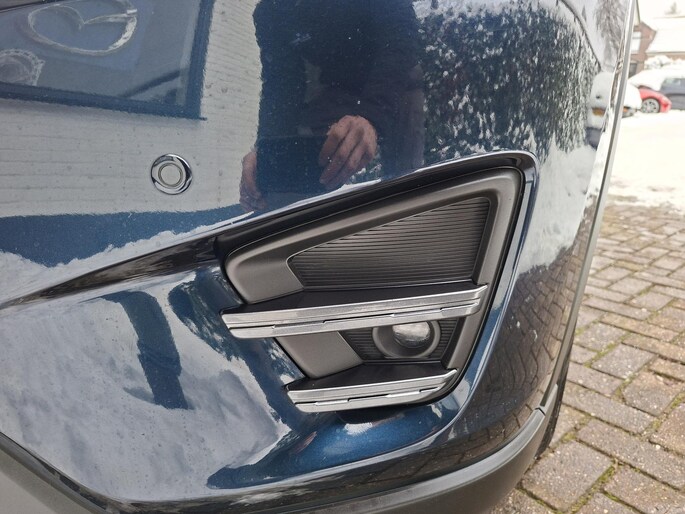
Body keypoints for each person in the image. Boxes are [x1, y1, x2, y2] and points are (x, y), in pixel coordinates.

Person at [240, 0, 424, 211]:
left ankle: (410, 207)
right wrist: (267, 151)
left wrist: (372, 118)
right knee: (297, 173)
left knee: (406, 182)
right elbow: (282, 85)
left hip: (397, 82)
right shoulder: (271, 12)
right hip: (338, 88)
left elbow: (401, 38)